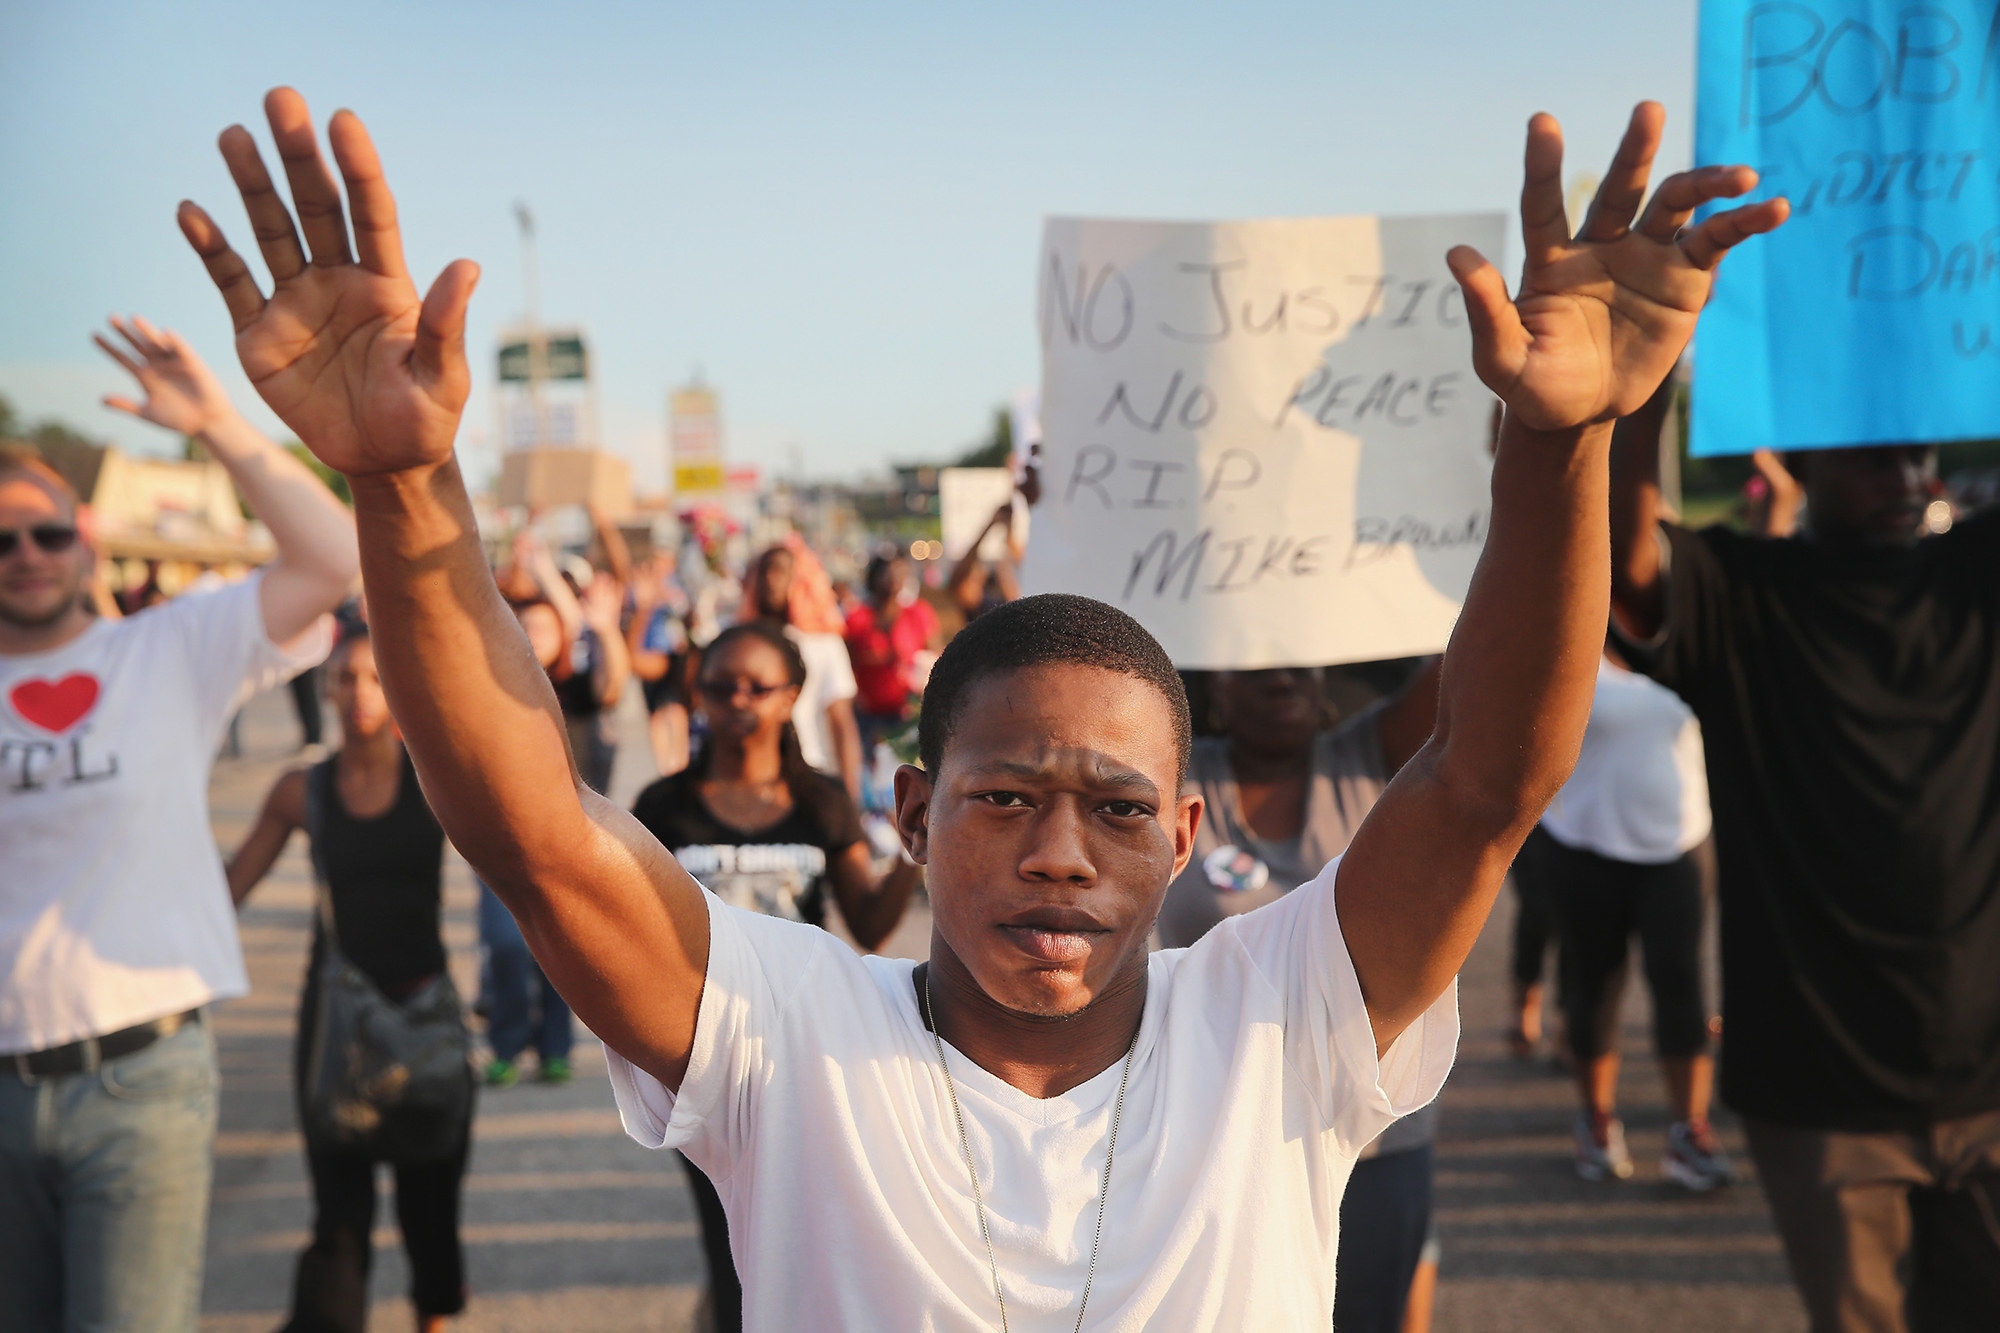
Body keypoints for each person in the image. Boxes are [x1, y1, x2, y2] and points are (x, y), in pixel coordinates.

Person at [182, 88, 1780, 1327]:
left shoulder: (1278, 1021)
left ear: (1188, 834)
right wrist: (401, 482)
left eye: (1115, 806)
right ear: (908, 808)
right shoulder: (787, 1038)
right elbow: (535, 830)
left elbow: (1484, 780)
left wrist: (1562, 445)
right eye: (1005, 797)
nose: (1061, 853)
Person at [1611, 370, 2000, 1326]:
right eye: (1876, 455)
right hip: (1820, 1086)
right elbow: (1620, 553)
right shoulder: (1742, 594)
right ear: (1807, 455)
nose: (1909, 475)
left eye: (1920, 451)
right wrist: (1648, 382)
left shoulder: (1979, 573)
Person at [0, 305, 355, 1332]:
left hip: (141, 1080)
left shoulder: (163, 652)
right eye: (2, 537)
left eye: (47, 530)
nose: (25, 552)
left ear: (86, 539)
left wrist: (218, 425)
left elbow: (332, 562)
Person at [630, 620, 920, 1330]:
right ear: (698, 695)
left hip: (803, 1056)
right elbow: (630, 940)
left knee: (797, 1243)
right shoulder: (661, 808)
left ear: (791, 695)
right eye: (721, 685)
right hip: (696, 1060)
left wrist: (921, 849)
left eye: (758, 686)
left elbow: (871, 925)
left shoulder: (819, 800)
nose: (739, 700)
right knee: (729, 1240)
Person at [1156, 661, 1441, 1333]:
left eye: (1296, 659)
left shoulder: (1377, 756)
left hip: (1374, 1136)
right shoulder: (1174, 769)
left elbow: (1478, 659)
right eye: (1253, 661)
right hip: (1215, 1126)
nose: (1279, 677)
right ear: (1216, 684)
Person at [224, 623, 469, 1333]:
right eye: (344, 677)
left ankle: (436, 1319)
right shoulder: (302, 790)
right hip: (333, 1020)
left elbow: (519, 863)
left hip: (425, 1012)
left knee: (430, 1203)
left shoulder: (436, 777)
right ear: (325, 689)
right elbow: (229, 888)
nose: (359, 692)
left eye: (374, 676)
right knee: (339, 1208)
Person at [1537, 647, 1729, 1189]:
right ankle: (1597, 1122)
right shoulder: (1571, 629)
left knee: (1681, 979)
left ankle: (1689, 1132)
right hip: (1582, 837)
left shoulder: (1693, 639)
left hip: (1679, 838)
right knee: (1595, 981)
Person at [742, 539, 864, 798]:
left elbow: (841, 723)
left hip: (806, 772)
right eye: (765, 571)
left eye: (779, 571)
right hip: (745, 776)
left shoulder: (824, 643)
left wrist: (851, 798)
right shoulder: (739, 641)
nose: (771, 580)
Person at [843, 551, 940, 749]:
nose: (893, 578)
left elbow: (936, 658)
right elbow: (847, 664)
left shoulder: (918, 613)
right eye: (887, 573)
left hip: (911, 712)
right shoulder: (857, 618)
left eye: (899, 572)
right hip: (869, 716)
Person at [627, 547, 692, 775]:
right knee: (657, 708)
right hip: (649, 653)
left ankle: (679, 763)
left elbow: (685, 616)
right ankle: (665, 767)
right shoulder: (639, 588)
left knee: (674, 706)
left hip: (673, 655)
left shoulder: (676, 590)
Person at [944, 501, 1023, 624]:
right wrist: (990, 526)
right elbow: (964, 567)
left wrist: (1006, 527)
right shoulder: (972, 599)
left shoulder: (990, 592)